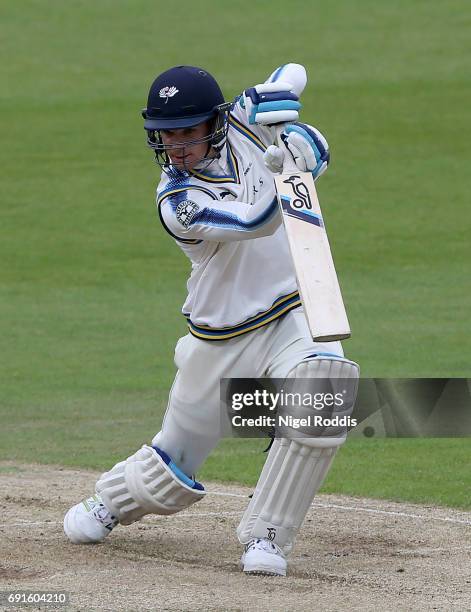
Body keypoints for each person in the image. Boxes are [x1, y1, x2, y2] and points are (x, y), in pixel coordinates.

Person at [63, 64, 359, 576]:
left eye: (187, 132)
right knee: (170, 471)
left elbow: (293, 77)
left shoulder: (244, 123)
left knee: (325, 395)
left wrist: (308, 144)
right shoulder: (177, 201)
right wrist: (291, 175)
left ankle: (267, 535)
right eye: (166, 135)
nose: (176, 146)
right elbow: (257, 222)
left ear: (214, 123)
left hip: (293, 309)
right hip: (220, 335)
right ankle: (111, 501)